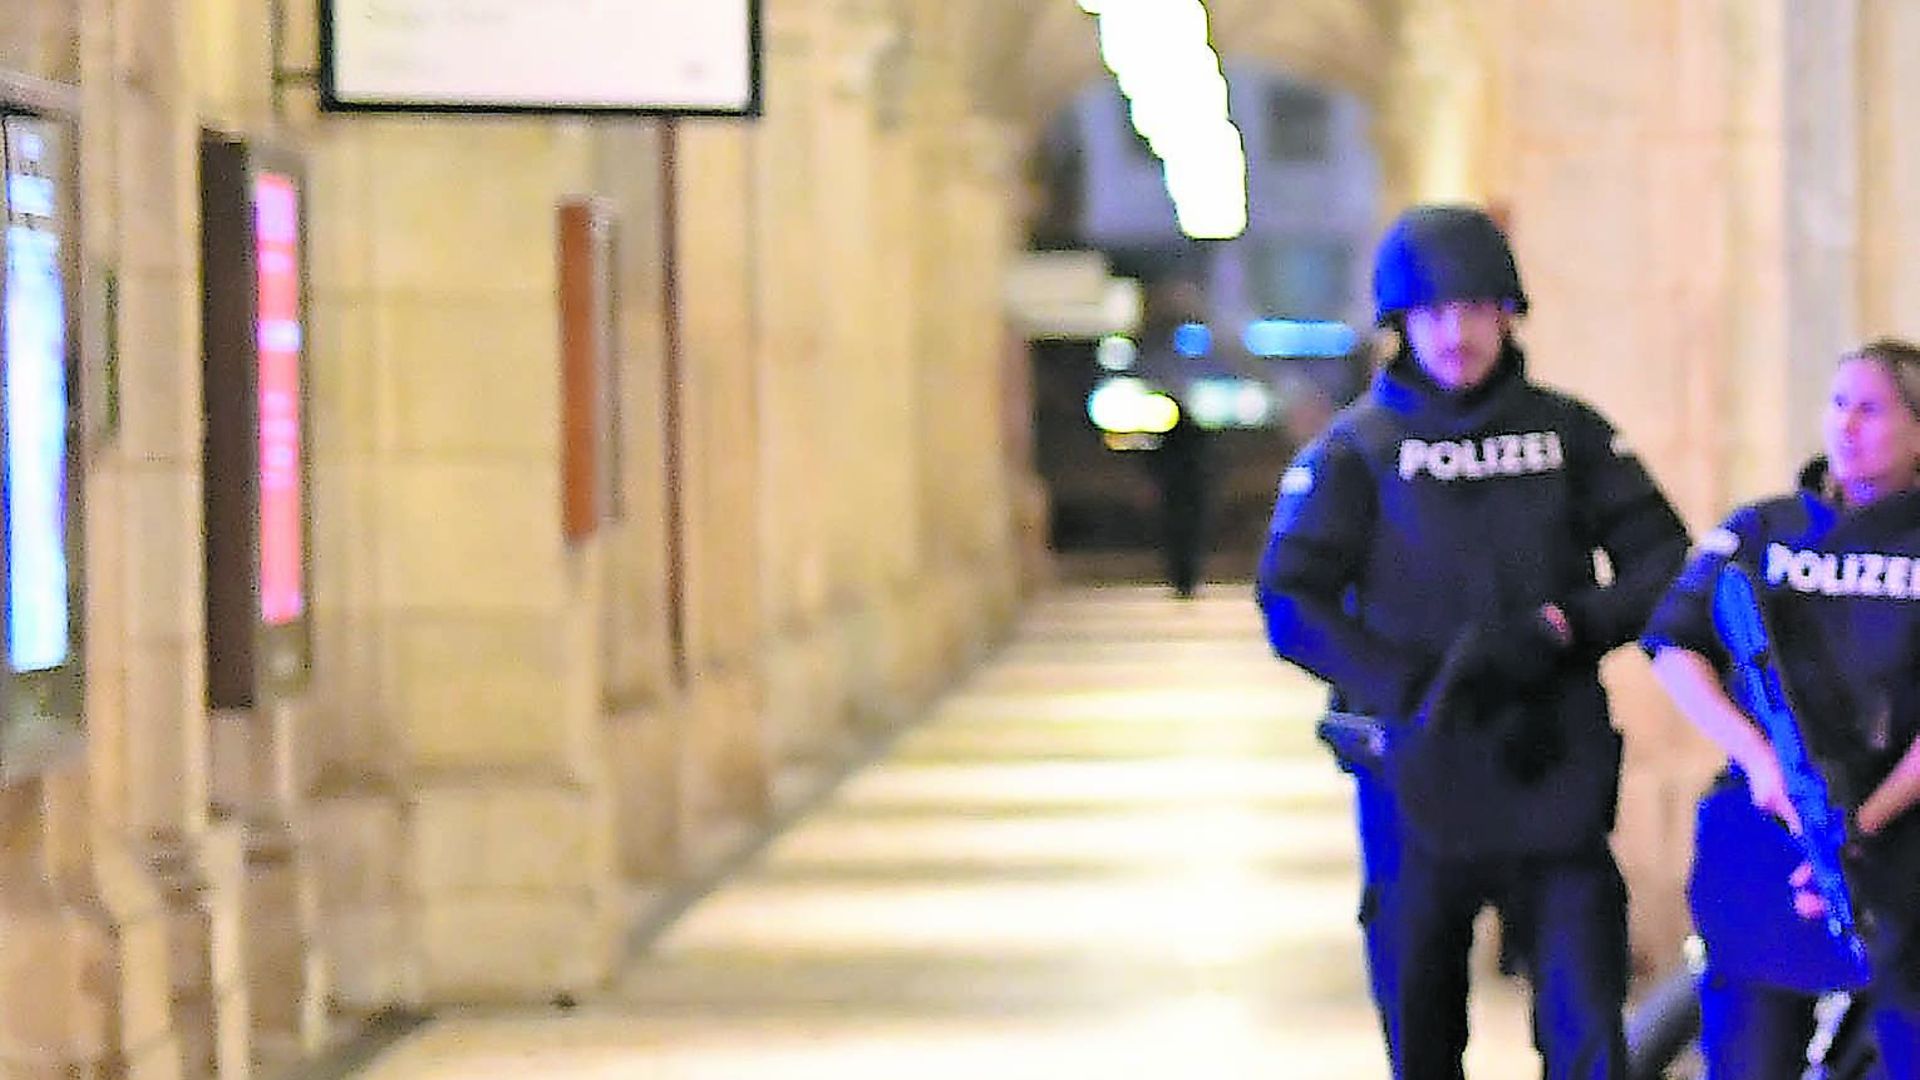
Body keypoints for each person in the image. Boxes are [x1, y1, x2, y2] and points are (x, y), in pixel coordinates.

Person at [1255, 203, 1690, 1080]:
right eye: (1434, 313)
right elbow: (1291, 599)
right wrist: (1404, 684)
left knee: (1587, 1035)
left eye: (1477, 309)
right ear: (1401, 327)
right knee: (1422, 1030)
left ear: (1508, 314)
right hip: (1417, 773)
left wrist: (1568, 627)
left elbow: (1665, 561)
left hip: (1552, 764)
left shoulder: (1567, 435)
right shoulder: (1359, 450)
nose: (1458, 333)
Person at [1643, 338, 1920, 1078]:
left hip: (1897, 846)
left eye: (1872, 409)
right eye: (1837, 404)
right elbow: (1674, 645)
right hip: (1764, 833)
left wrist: (1863, 822)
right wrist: (1759, 760)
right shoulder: (1762, 531)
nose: (1846, 425)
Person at [1149, 404, 1213, 598]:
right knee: (1189, 541)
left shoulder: (1170, 442)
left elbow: (1159, 467)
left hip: (1177, 498)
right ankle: (1186, 581)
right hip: (1192, 498)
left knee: (1179, 540)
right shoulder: (1197, 440)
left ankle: (1182, 580)